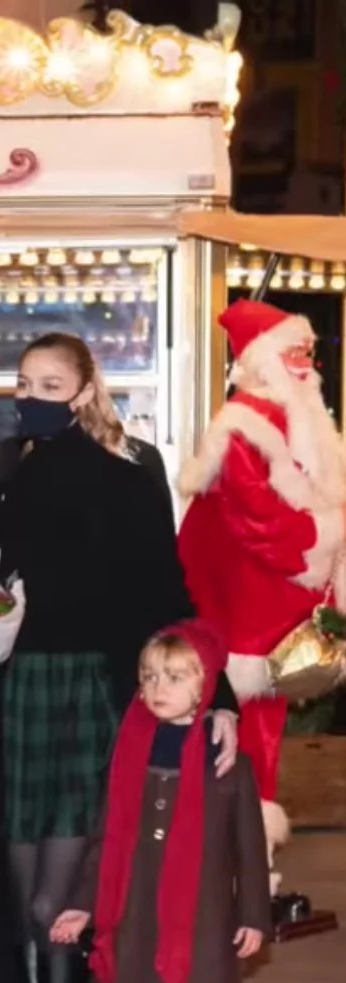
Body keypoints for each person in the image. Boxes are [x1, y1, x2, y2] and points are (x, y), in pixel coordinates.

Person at [0, 332, 240, 983]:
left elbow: (165, 587)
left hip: (89, 696)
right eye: (22, 381)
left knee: (57, 901)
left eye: (50, 383)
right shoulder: (1, 468)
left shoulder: (128, 469)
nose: (30, 395)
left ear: (82, 391)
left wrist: (213, 696)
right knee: (22, 903)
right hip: (16, 697)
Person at [50, 622, 267, 983]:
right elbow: (104, 838)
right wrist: (83, 904)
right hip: (137, 906)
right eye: (148, 677)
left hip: (206, 912)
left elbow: (249, 846)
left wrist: (253, 914)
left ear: (204, 684)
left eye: (174, 677)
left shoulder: (228, 762)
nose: (157, 687)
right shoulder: (129, 755)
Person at [177, 300, 346, 914]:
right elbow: (258, 520)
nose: (306, 363)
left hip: (274, 607)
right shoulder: (246, 425)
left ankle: (249, 871)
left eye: (309, 352)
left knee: (256, 738)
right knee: (241, 739)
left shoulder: (298, 420)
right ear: (261, 360)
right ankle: (238, 875)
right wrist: (326, 538)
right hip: (244, 610)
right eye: (293, 352)